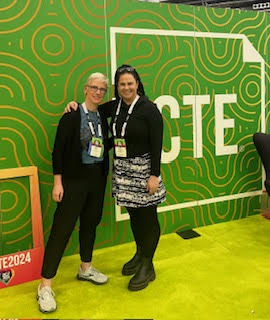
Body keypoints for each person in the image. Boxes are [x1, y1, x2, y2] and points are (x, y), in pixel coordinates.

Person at [65, 64, 166, 291]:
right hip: (123, 170)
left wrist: (154, 175)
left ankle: (148, 264)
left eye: (130, 83)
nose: (126, 87)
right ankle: (141, 254)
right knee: (134, 215)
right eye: (122, 84)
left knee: (147, 217)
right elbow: (91, 108)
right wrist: (73, 105)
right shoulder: (115, 107)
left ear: (137, 84)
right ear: (117, 87)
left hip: (143, 172)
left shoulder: (149, 109)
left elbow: (157, 144)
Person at [37, 72, 110, 313]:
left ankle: (85, 268)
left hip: (96, 179)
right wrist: (58, 182)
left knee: (90, 223)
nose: (98, 92)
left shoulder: (102, 114)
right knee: (62, 229)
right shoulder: (71, 115)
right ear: (85, 89)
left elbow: (127, 101)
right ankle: (45, 285)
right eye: (94, 88)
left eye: (102, 89)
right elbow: (58, 151)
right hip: (73, 181)